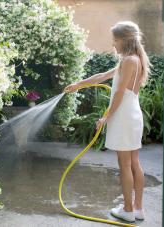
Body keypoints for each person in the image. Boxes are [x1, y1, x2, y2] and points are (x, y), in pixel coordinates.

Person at [64, 21, 151, 223]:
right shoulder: (133, 59)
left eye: (115, 39)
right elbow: (103, 76)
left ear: (123, 40)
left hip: (124, 115)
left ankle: (128, 210)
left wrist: (107, 116)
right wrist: (79, 84)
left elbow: (120, 92)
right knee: (134, 163)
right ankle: (138, 208)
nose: (113, 44)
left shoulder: (129, 60)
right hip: (131, 114)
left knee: (125, 164)